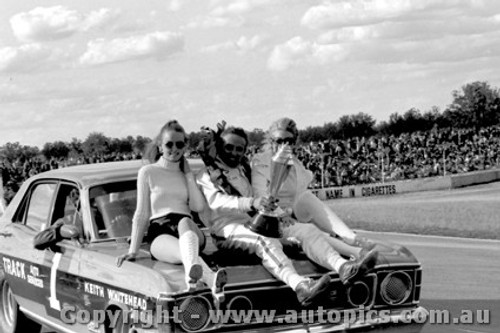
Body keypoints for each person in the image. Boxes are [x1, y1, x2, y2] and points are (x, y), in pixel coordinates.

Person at [196, 124, 376, 307]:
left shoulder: (244, 169)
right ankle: (300, 285)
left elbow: (264, 197)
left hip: (255, 222)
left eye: (239, 149)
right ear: (219, 147)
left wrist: (280, 213)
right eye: (229, 147)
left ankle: (343, 267)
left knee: (306, 230)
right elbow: (216, 201)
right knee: (265, 241)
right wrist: (252, 203)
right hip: (226, 230)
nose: (234, 153)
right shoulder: (207, 174)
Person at [115, 120, 227, 299]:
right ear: (160, 146)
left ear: (185, 147)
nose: (174, 149)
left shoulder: (187, 173)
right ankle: (210, 278)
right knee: (185, 253)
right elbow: (142, 213)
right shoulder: (148, 172)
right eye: (169, 144)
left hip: (188, 227)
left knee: (184, 221)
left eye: (180, 144)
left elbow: (197, 207)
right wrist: (133, 250)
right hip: (159, 230)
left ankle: (193, 276)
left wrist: (189, 174)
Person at [251, 117, 375, 260]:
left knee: (306, 197)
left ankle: (351, 237)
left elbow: (300, 200)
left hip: (292, 215)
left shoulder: (297, 165)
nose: (284, 145)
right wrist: (282, 214)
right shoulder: (260, 161)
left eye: (289, 141)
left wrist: (324, 226)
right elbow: (260, 196)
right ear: (271, 140)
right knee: (311, 231)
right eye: (279, 140)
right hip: (270, 218)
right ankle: (354, 252)